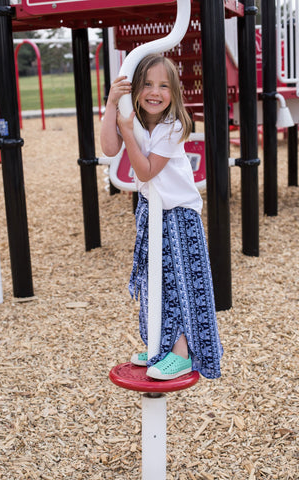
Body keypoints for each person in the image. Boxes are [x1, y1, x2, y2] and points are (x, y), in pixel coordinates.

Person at [100, 53, 223, 381]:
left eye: (164, 86)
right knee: (154, 282)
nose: (155, 92)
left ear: (175, 93)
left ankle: (182, 354)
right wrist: (113, 106)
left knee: (181, 285)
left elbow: (146, 170)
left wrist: (127, 129)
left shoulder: (174, 126)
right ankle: (160, 344)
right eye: (148, 84)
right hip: (152, 212)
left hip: (179, 215)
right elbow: (110, 149)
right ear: (135, 89)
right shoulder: (134, 118)